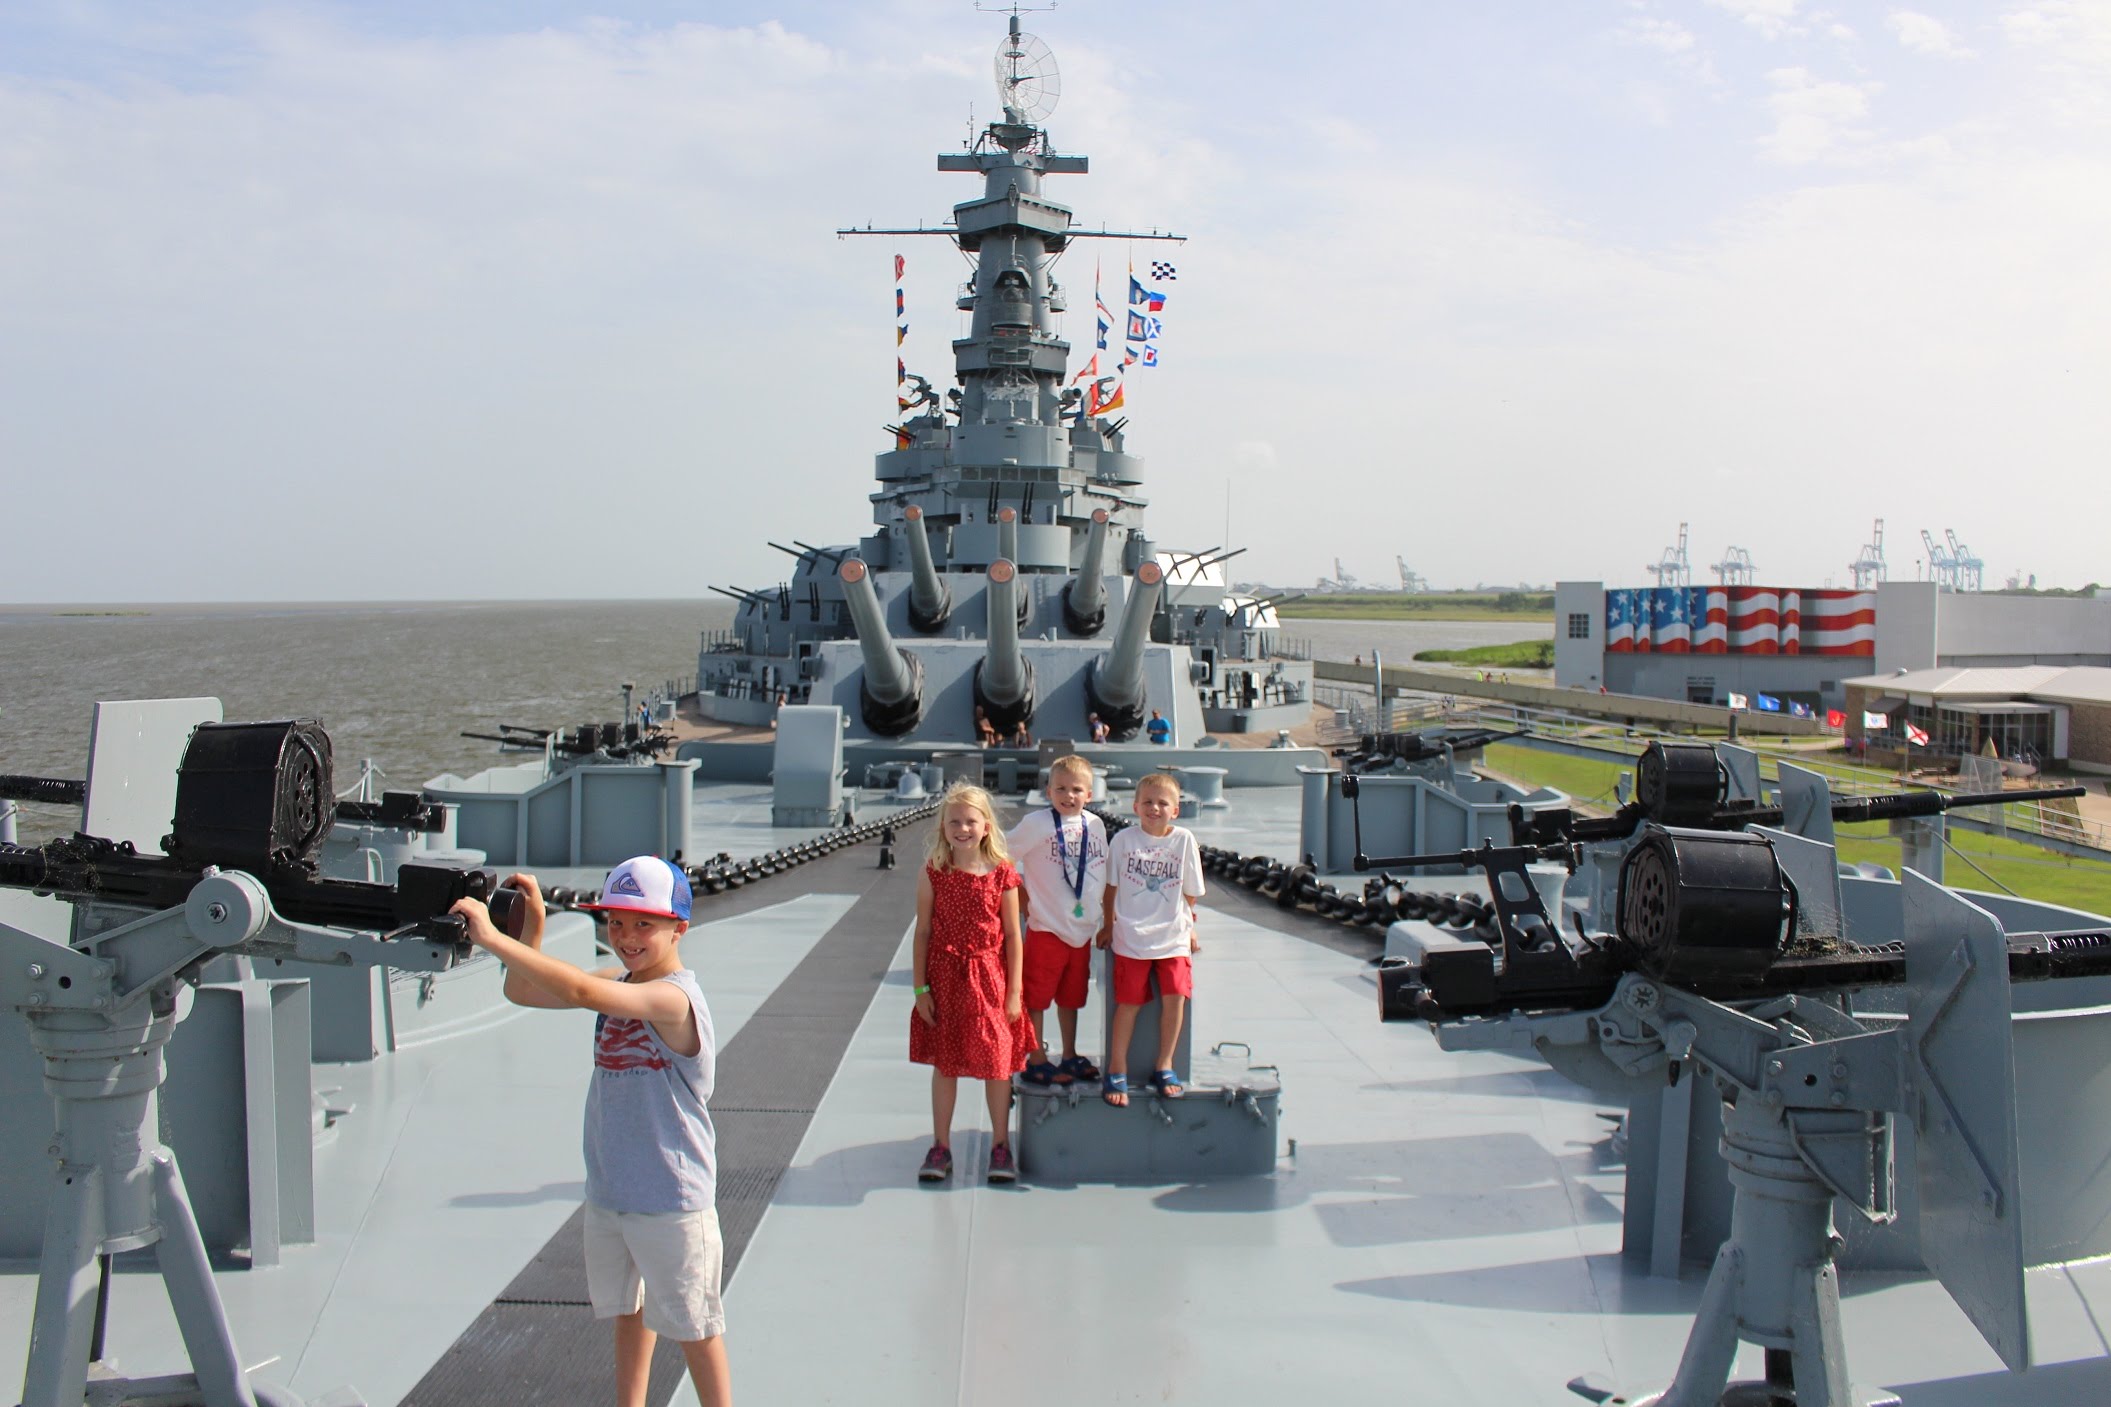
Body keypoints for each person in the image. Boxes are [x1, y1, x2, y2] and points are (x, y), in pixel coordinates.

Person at [451, 857, 731, 1407]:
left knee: (695, 1326)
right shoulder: (620, 981)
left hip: (670, 1197)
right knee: (629, 1309)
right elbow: (523, 993)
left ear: (680, 928)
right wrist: (528, 926)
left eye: (643, 924)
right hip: (612, 1189)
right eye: (616, 923)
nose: (626, 937)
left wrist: (487, 938)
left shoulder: (674, 1000)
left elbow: (580, 991)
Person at [910, 782, 1034, 1184]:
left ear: (986, 826)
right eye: (954, 822)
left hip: (990, 979)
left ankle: (1001, 1145)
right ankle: (941, 1145)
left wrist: (1014, 992)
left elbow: (1014, 935)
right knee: (945, 1065)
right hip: (945, 978)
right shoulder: (934, 871)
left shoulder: (1002, 874)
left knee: (997, 1063)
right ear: (943, 826)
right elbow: (923, 932)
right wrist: (920, 989)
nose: (962, 828)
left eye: (970, 821)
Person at [1098, 771, 1204, 1106]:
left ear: (1176, 810)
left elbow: (1191, 892)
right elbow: (1110, 888)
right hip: (1132, 936)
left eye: (1162, 803)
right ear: (1135, 806)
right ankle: (1117, 1067)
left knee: (1175, 998)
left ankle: (1165, 1063)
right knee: (1127, 1004)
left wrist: (1190, 927)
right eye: (1147, 802)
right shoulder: (1123, 842)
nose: (1154, 808)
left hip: (1172, 936)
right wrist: (1108, 924)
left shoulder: (1184, 840)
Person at [1007, 754, 1107, 1088]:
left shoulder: (1095, 825)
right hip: (1047, 929)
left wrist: (1103, 919)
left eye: (1077, 789)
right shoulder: (1037, 824)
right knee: (1036, 998)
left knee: (1071, 997)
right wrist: (1021, 900)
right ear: (1048, 791)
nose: (1069, 795)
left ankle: (1069, 1053)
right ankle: (1035, 1057)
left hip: (1081, 932)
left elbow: (1099, 872)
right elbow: (1003, 858)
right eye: (1061, 788)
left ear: (1089, 794)